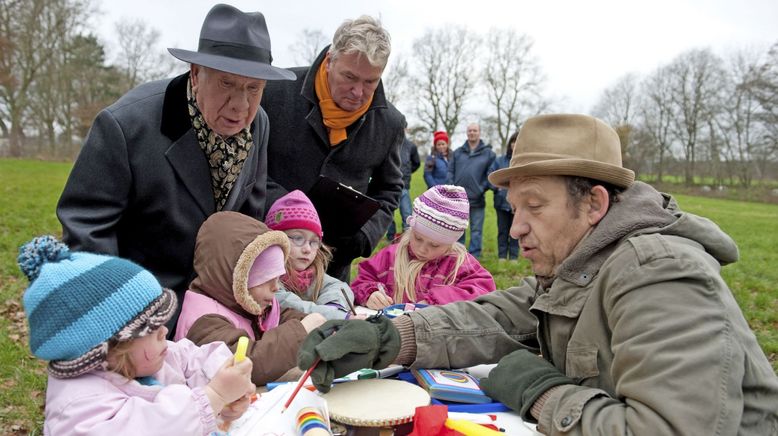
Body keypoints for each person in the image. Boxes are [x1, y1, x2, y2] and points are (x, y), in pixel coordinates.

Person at [297, 114, 778, 435]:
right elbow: (492, 320)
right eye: (513, 207)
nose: (517, 226)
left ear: (594, 204)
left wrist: (541, 393)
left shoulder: (659, 273)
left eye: (534, 207)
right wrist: (385, 337)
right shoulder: (579, 263)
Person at [56, 4, 296, 331]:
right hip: (139, 314)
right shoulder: (126, 126)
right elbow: (86, 230)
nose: (241, 105)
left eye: (253, 88)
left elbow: (246, 221)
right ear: (196, 74)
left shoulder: (259, 125)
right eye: (227, 84)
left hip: (214, 317)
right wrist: (125, 321)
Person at [17, 236, 255, 435]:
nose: (164, 331)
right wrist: (213, 396)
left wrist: (224, 381)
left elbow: (189, 357)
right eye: (151, 328)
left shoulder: (144, 358)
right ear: (106, 348)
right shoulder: (80, 407)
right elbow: (150, 428)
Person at [261, 15, 406, 282]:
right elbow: (251, 168)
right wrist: (290, 212)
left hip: (332, 268)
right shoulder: (274, 92)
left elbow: (390, 189)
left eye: (370, 82)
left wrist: (365, 236)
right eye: (349, 77)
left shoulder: (390, 123)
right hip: (266, 253)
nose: (358, 92)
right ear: (330, 61)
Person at [174, 211, 326, 385]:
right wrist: (301, 332)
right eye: (266, 279)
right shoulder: (204, 321)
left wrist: (319, 325)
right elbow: (244, 364)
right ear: (238, 277)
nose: (276, 287)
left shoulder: (245, 303)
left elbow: (281, 316)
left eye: (277, 278)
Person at [351, 185, 495, 309]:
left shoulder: (459, 263)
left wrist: (436, 300)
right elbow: (362, 281)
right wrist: (370, 293)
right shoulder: (391, 256)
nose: (422, 249)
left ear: (451, 243)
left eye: (435, 245)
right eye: (418, 238)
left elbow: (484, 290)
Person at [265, 190, 356, 320]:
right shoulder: (265, 277)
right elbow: (290, 306)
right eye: (297, 238)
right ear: (275, 239)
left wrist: (333, 306)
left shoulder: (311, 274)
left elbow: (339, 287)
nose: (307, 249)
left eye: (314, 242)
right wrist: (338, 317)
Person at [447, 123, 496, 259]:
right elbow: (450, 171)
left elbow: (490, 174)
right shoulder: (457, 152)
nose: (472, 133)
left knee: (476, 230)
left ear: (479, 132)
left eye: (475, 130)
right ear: (466, 133)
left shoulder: (489, 154)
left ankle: (474, 257)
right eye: (469, 130)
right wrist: (453, 187)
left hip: (477, 198)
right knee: (458, 229)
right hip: (458, 199)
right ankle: (458, 256)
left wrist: (481, 188)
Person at [489, 131, 520, 261]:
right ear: (510, 144)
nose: (515, 145)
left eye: (518, 142)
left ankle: (513, 256)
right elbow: (490, 176)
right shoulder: (499, 160)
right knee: (502, 230)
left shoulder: (523, 162)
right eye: (513, 142)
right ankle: (502, 256)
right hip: (501, 202)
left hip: (518, 203)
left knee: (515, 230)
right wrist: (496, 188)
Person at [386, 136, 421, 241]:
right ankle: (390, 237)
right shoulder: (388, 142)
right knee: (388, 213)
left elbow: (416, 163)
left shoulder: (411, 146)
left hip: (403, 185)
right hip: (388, 185)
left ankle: (407, 238)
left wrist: (407, 173)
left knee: (406, 213)